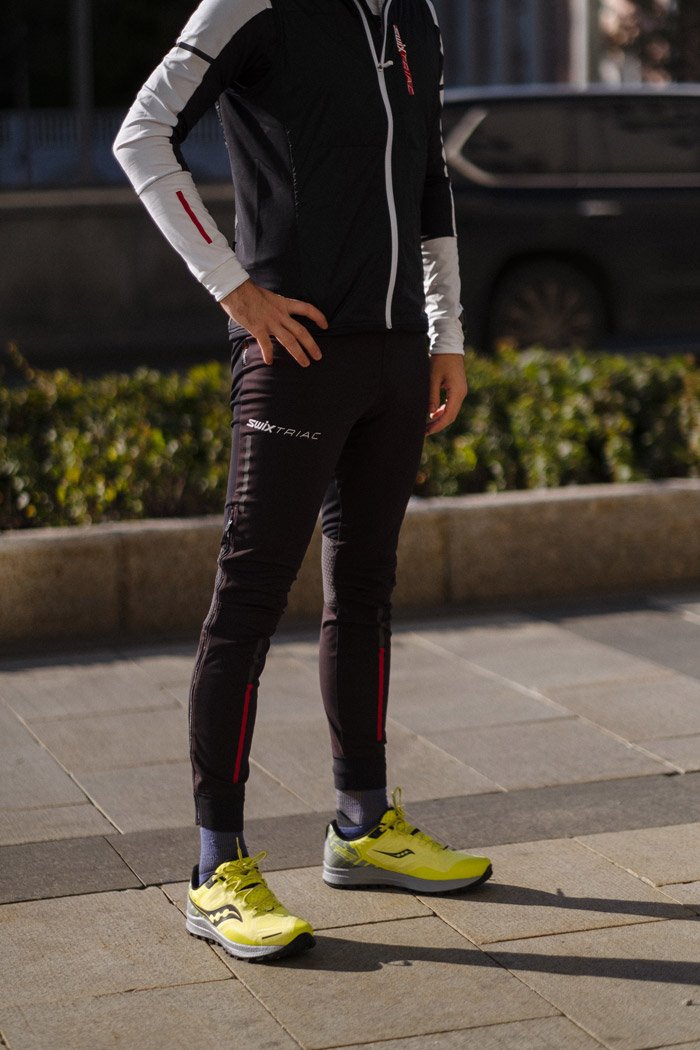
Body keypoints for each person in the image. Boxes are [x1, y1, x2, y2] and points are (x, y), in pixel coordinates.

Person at [114, 0, 492, 964]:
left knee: (363, 590)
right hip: (295, 352)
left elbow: (427, 177)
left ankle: (363, 825)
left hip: (396, 355)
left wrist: (445, 333)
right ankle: (215, 868)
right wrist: (234, 290)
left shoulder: (413, 14)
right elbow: (143, 133)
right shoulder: (256, 5)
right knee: (248, 600)